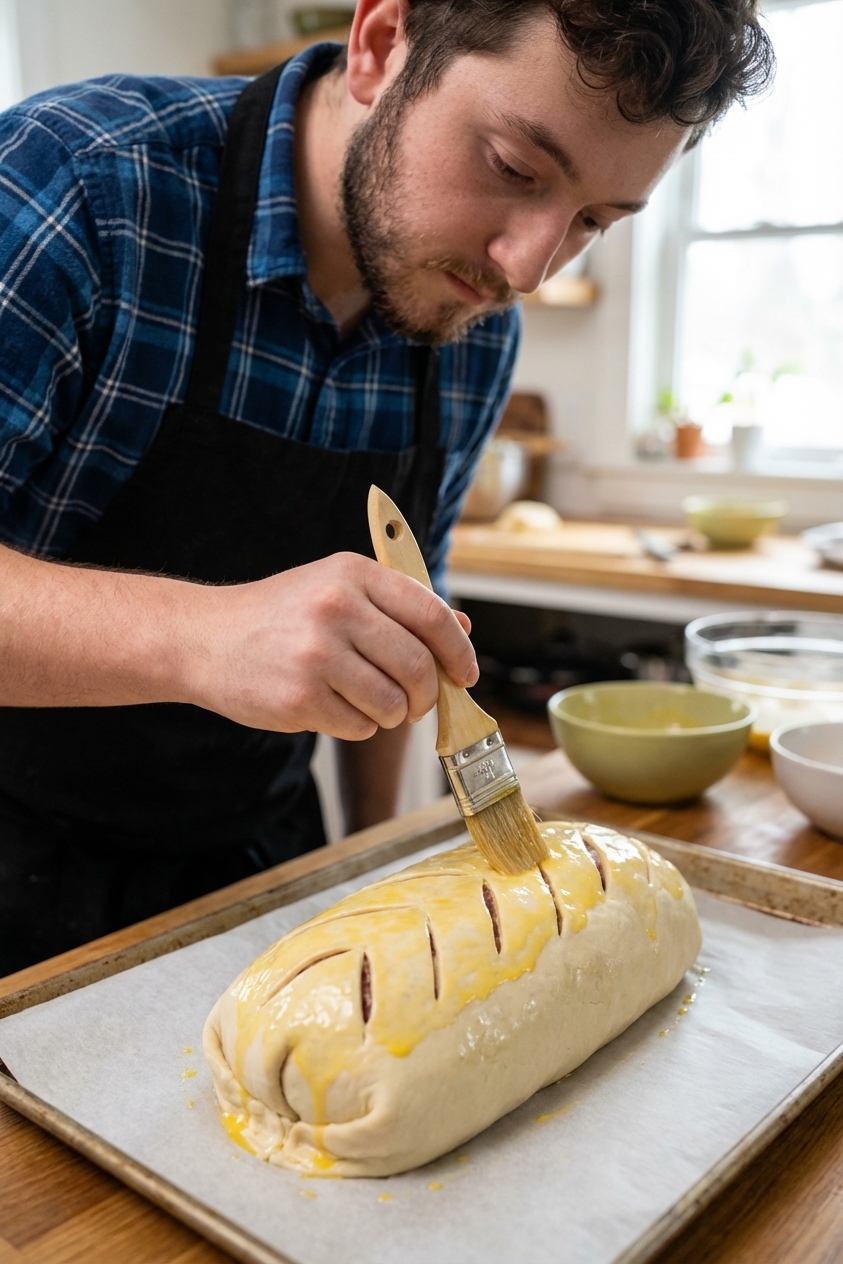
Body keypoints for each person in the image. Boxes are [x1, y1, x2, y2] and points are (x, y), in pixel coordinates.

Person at [0, 0, 772, 975]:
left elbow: (405, 633)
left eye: (592, 222)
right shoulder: (81, 189)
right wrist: (197, 639)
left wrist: (368, 861)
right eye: (513, 168)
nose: (526, 268)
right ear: (377, 46)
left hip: (257, 860)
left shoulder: (472, 327)